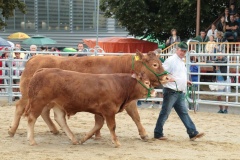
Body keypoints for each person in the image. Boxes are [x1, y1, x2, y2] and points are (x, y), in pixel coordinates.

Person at [154, 42, 205, 141]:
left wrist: (185, 81)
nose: (183, 52)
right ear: (177, 49)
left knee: (183, 113)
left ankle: (192, 132)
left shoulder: (181, 61)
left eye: (185, 51)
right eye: (182, 50)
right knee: (165, 112)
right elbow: (162, 72)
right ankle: (158, 133)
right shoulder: (171, 60)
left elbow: (177, 75)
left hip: (178, 91)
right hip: (171, 90)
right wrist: (168, 78)